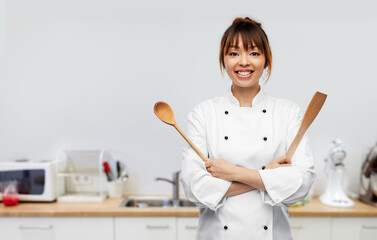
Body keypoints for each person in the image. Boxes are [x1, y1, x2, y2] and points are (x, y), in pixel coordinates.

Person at [180, 17, 315, 240]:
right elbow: (194, 189)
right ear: (223, 61)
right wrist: (266, 178)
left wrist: (233, 173)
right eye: (234, 53)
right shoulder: (203, 114)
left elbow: (302, 183)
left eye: (254, 53)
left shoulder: (288, 112)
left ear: (266, 61)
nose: (244, 62)